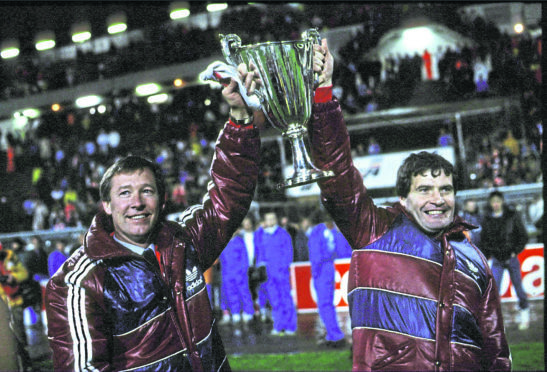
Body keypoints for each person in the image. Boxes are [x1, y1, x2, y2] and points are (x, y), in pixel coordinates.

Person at [307, 39, 511, 370]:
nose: (438, 199)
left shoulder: (474, 257)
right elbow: (336, 172)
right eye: (424, 189)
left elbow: (496, 347)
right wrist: (324, 95)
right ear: (403, 198)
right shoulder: (375, 231)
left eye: (446, 189)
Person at [45, 62, 262, 371]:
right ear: (105, 205)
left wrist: (240, 118)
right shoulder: (79, 282)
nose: (136, 202)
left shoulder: (183, 241)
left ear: (162, 202)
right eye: (124, 193)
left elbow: (230, 197)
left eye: (146, 191)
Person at [480, 190, 530, 330]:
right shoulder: (487, 220)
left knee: (518, 287)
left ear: (502, 202)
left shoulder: (512, 216)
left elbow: (523, 236)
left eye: (497, 201)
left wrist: (515, 251)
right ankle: (496, 322)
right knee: (494, 291)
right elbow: (484, 240)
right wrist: (488, 253)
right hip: (497, 259)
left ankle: (525, 314)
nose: (495, 204)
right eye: (493, 202)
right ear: (490, 203)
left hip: (511, 258)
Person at [254, 212, 297, 335]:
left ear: (276, 219)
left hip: (281, 273)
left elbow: (289, 252)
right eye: (268, 219)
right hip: (269, 274)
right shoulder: (263, 235)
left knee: (285, 299)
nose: (270, 221)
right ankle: (278, 325)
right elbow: (259, 250)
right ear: (265, 221)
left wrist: (284, 268)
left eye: (272, 218)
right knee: (274, 300)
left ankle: (290, 326)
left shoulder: (283, 234)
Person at [308, 213, 346, 348]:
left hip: (323, 269)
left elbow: (315, 255)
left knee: (324, 304)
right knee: (327, 304)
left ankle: (335, 335)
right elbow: (342, 252)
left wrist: (315, 272)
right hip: (329, 268)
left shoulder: (318, 232)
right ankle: (333, 334)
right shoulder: (333, 231)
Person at [0, 247, 34, 371]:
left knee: (19, 336)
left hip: (14, 302)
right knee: (7, 339)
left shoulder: (10, 257)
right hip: (2, 306)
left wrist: (13, 277)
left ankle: (25, 364)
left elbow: (24, 273)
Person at [219, 228, 255, 333]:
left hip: (240, 273)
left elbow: (245, 258)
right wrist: (224, 274)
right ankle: (235, 313)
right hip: (227, 274)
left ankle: (248, 312)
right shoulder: (223, 243)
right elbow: (222, 260)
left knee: (244, 292)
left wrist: (243, 271)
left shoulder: (239, 242)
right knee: (231, 294)